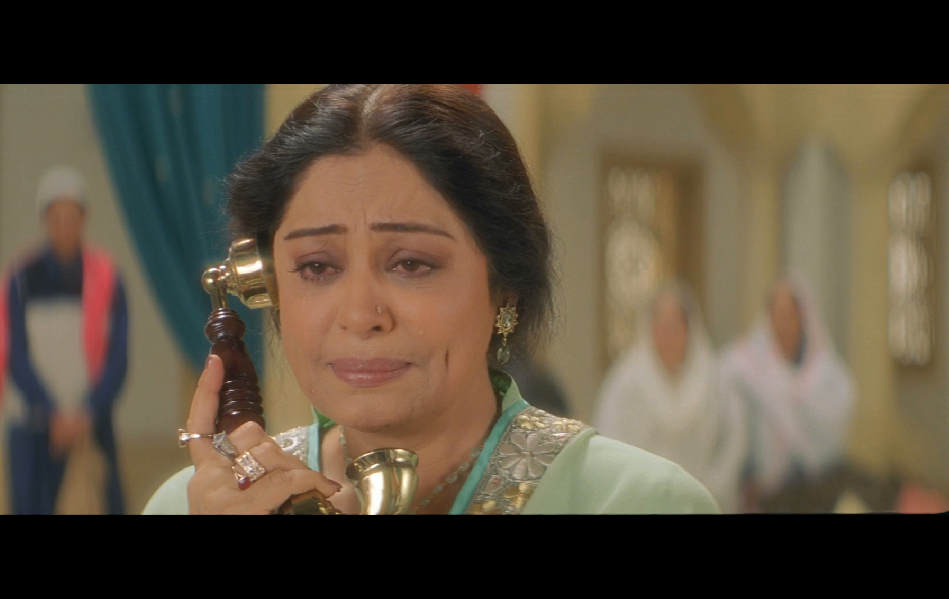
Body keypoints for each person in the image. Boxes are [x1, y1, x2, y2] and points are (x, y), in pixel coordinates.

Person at [144, 84, 718, 515]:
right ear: (267, 285)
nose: (361, 315)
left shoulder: (637, 501)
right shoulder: (198, 505)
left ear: (504, 286)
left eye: (411, 264)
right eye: (317, 267)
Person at [0, 166, 129, 515]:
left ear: (84, 218)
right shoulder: (21, 278)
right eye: (56, 218)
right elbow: (15, 354)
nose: (65, 227)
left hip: (90, 422)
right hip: (32, 425)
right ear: (44, 220)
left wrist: (86, 412)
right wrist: (51, 412)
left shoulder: (107, 278)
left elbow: (117, 357)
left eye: (72, 217)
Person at [592, 281, 746, 512]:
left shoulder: (713, 379)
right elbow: (610, 437)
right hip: (641, 501)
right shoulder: (626, 381)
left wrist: (710, 488)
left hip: (700, 499)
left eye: (676, 325)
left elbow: (733, 439)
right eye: (662, 325)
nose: (668, 334)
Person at [719, 275, 856, 512]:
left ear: (802, 316)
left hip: (814, 489)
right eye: (777, 314)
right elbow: (733, 424)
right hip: (763, 490)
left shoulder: (824, 370)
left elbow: (840, 412)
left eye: (789, 314)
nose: (783, 323)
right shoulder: (746, 365)